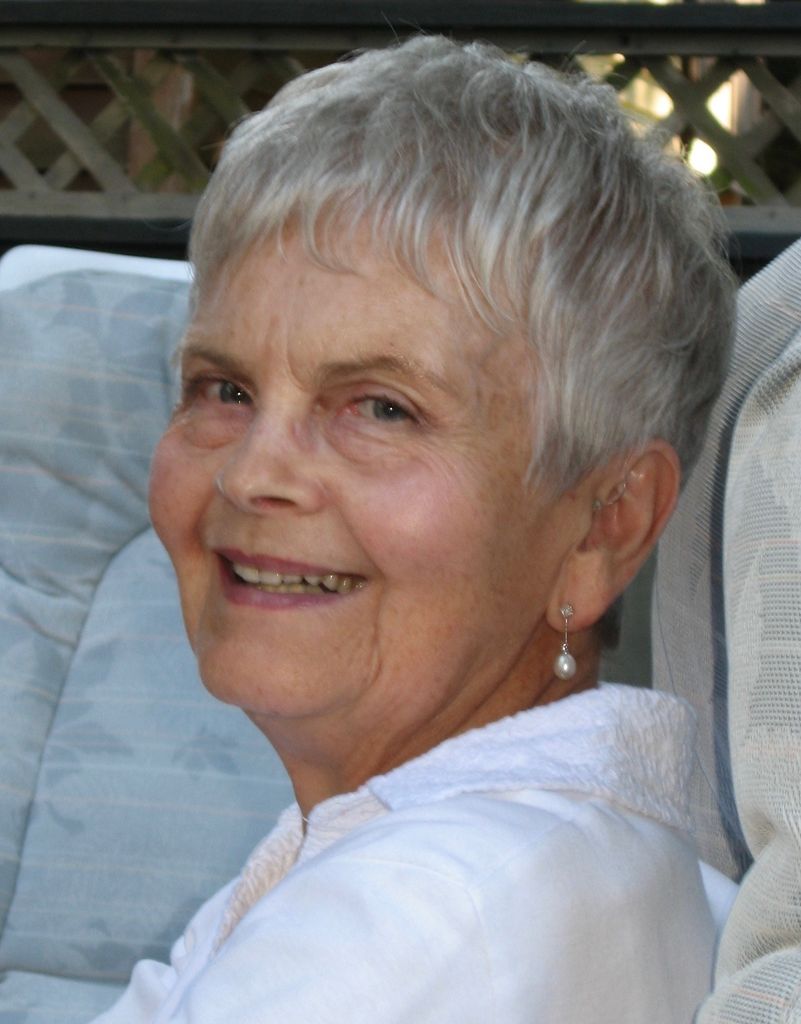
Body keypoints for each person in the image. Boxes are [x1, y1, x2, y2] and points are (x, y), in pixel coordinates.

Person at [92, 36, 736, 1024]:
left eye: (382, 408)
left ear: (604, 526)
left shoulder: (409, 927)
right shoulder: (590, 860)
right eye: (225, 389)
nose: (251, 473)